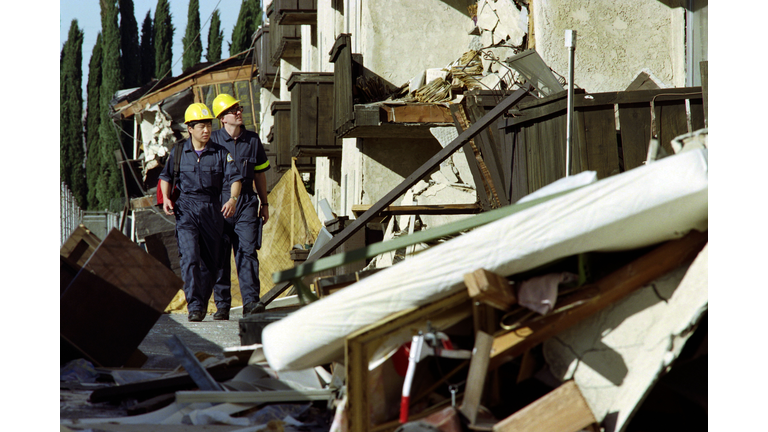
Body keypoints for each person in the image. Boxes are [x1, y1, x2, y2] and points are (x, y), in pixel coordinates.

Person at [159, 103, 243, 322]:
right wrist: (167, 197)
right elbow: (165, 177)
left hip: (211, 208)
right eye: (201, 126)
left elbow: (235, 179)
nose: (206, 130)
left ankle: (210, 303)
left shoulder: (220, 153)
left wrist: (233, 199)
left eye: (208, 125)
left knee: (212, 261)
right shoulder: (178, 151)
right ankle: (194, 306)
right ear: (190, 128)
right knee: (189, 256)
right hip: (186, 208)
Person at [209, 93, 271, 320]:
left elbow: (260, 175)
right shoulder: (212, 141)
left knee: (247, 251)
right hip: (219, 204)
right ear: (222, 118)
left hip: (245, 203)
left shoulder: (253, 140)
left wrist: (264, 204)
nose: (239, 112)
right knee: (220, 254)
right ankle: (222, 306)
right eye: (233, 110)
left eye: (239, 108)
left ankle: (251, 302)